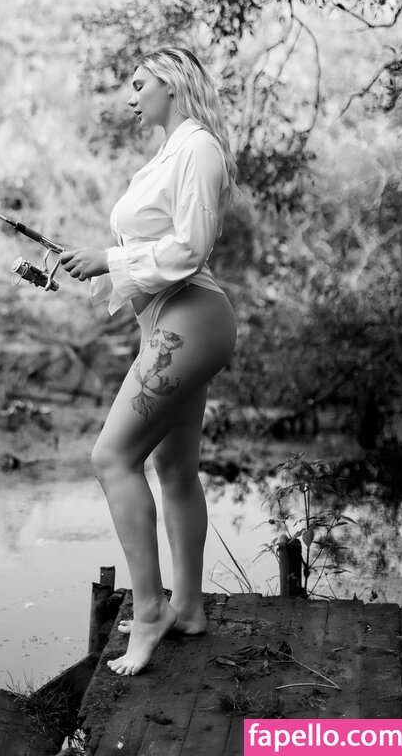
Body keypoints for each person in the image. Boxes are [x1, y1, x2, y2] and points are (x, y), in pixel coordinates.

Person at [60, 46, 238, 676]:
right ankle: (187, 608)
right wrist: (96, 263)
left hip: (191, 320)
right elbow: (149, 249)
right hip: (167, 323)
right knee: (174, 466)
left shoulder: (199, 148)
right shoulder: (168, 153)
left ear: (173, 83)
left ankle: (151, 608)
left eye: (139, 84)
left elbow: (190, 248)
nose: (130, 96)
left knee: (111, 458)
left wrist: (109, 259)